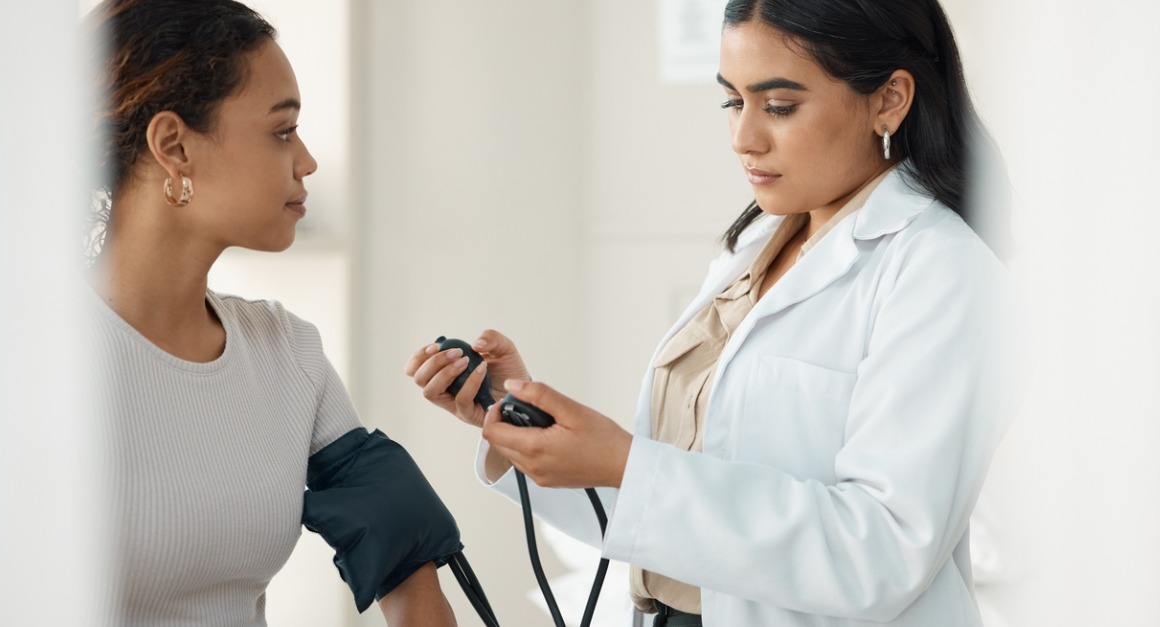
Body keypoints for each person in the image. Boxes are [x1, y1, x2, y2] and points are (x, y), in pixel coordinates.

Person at [405, 0, 1021, 625]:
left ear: (889, 98)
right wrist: (523, 418)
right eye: (733, 101)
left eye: (779, 106)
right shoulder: (753, 249)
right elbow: (674, 505)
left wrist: (625, 462)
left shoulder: (944, 271)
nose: (743, 137)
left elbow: (882, 553)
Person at [85, 1, 460, 625]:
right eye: (282, 131)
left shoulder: (287, 351)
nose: (306, 160)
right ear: (174, 146)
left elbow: (403, 551)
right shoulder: (25, 357)